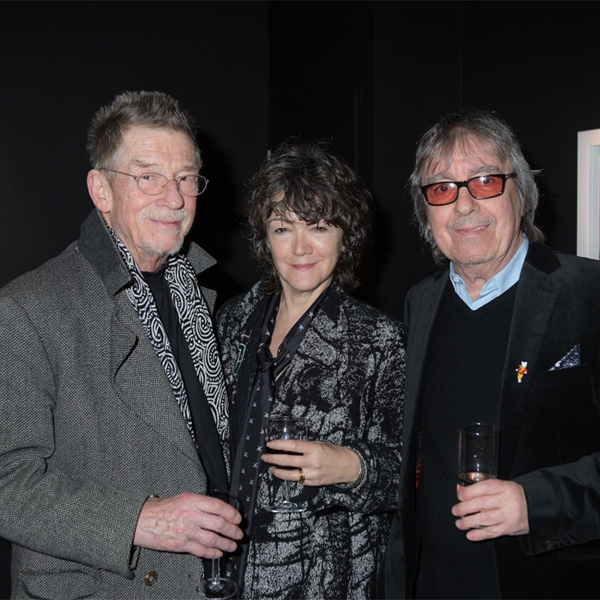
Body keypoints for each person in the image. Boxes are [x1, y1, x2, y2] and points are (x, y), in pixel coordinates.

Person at [0, 91, 243, 599]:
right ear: (101, 190)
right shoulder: (28, 309)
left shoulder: (199, 297)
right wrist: (142, 520)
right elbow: (6, 485)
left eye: (185, 178)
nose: (174, 199)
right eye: (148, 177)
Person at [381, 107, 600, 599]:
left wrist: (536, 503)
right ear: (426, 211)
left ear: (521, 192)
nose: (463, 206)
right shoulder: (419, 303)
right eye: (442, 188)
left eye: (484, 181)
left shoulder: (589, 293)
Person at [217, 142, 405, 599]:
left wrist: (349, 465)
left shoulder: (379, 339)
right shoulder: (230, 321)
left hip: (325, 579)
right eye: (283, 228)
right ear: (265, 238)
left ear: (345, 236)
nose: (300, 247)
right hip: (225, 563)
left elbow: (413, 473)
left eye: (319, 227)